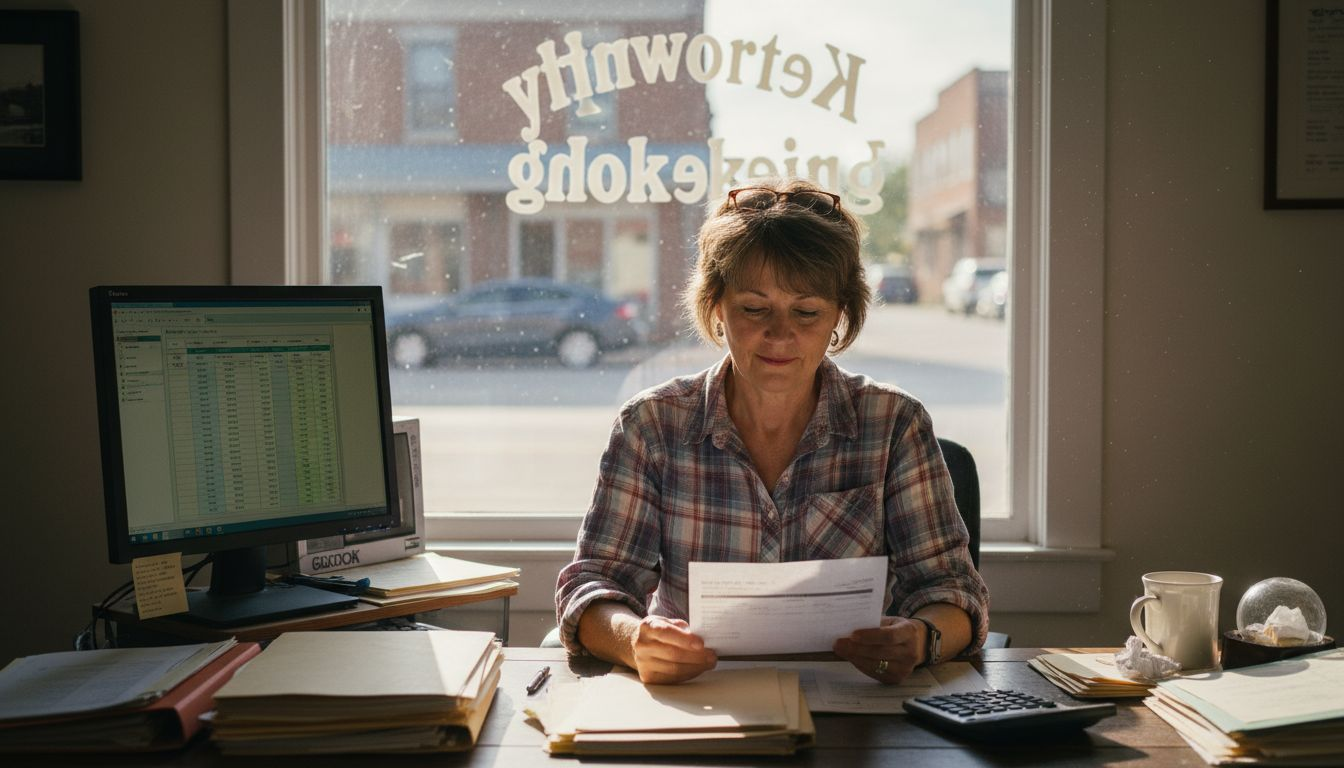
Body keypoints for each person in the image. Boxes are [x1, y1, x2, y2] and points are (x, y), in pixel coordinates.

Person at [555, 177, 989, 685]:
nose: (781, 334)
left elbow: (953, 592)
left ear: (839, 315)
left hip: (856, 700)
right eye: (754, 308)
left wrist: (922, 637)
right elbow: (592, 586)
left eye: (806, 312)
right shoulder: (652, 425)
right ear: (716, 306)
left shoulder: (893, 424)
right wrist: (633, 640)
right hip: (696, 696)